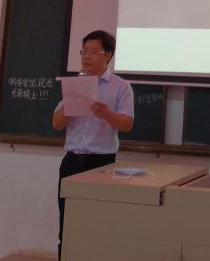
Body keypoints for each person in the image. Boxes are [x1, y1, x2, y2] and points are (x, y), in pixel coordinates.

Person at [51, 29, 134, 258]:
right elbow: (57, 124)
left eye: (93, 52)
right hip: (72, 162)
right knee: (67, 223)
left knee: (98, 224)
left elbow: (127, 124)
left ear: (108, 56)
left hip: (102, 164)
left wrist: (106, 113)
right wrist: (70, 104)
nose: (87, 57)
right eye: (84, 51)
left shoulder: (120, 87)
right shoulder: (75, 85)